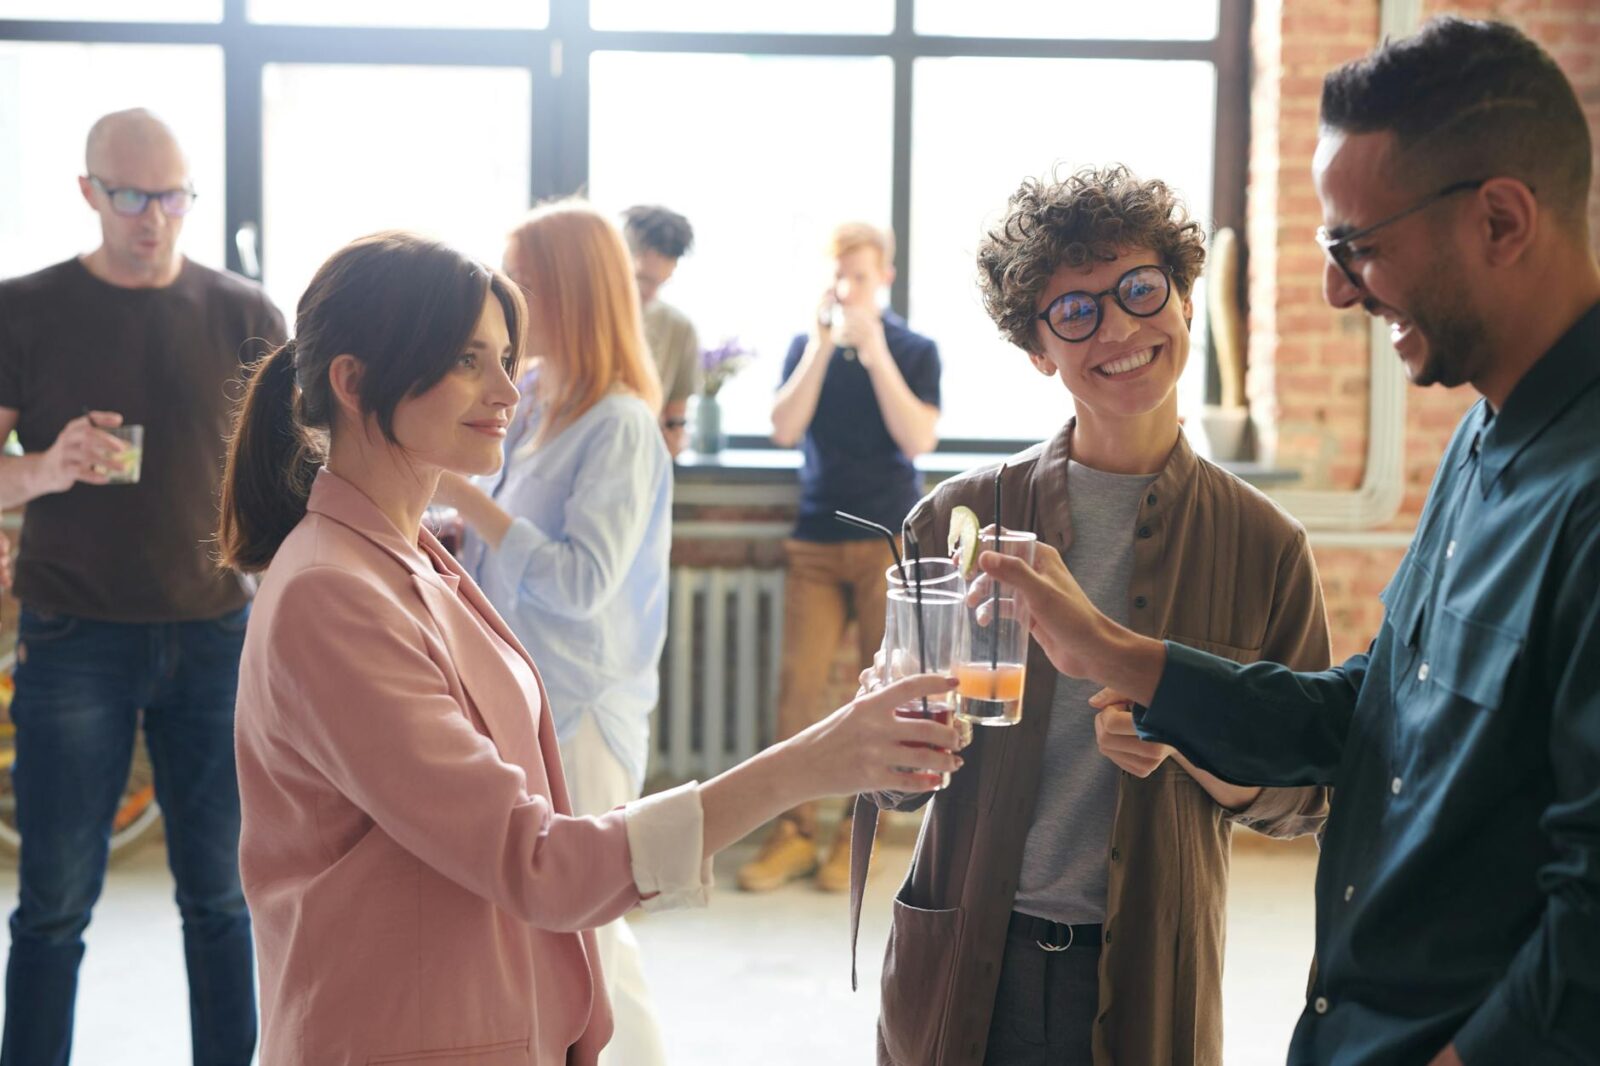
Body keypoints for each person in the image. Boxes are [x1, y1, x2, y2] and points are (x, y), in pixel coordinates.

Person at [978, 18, 1600, 1066]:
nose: (1335, 291)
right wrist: (1113, 654)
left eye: (1357, 245)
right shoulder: (1483, 437)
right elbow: (1369, 713)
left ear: (1499, 220)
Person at [218, 229, 962, 1066]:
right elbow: (539, 862)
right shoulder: (331, 591)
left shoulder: (416, 549)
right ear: (354, 383)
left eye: (506, 356)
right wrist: (813, 761)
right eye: (469, 361)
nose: (506, 388)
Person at [854, 167, 1332, 1066]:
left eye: (1140, 290)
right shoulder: (952, 516)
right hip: (963, 959)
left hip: (1147, 972)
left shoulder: (1267, 546)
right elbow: (885, 779)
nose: (1117, 329)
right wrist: (884, 729)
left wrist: (1189, 731)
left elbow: (1306, 797)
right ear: (1038, 349)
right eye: (1074, 312)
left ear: (1185, 297)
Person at [0, 108, 285, 1066]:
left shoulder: (248, 313)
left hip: (216, 635)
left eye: (171, 196)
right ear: (87, 192)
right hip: (73, 637)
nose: (152, 217)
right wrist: (42, 466)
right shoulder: (24, 307)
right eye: (129, 196)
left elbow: (288, 471)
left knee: (222, 898)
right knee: (53, 906)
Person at [435, 200, 672, 1066]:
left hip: (586, 707)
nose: (504, 299)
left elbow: (580, 581)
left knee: (594, 935)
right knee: (571, 934)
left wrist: (468, 503)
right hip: (525, 688)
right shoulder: (533, 397)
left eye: (523, 282)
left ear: (568, 292)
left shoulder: (621, 424)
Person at [741, 222, 942, 894]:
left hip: (889, 544)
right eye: (840, 276)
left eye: (861, 275)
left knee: (885, 694)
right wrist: (824, 348)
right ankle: (792, 833)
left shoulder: (914, 349)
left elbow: (916, 441)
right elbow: (782, 428)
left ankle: (861, 838)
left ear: (885, 276)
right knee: (799, 691)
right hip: (816, 542)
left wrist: (876, 348)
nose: (848, 287)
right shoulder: (808, 346)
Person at [622, 204, 699, 456]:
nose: (651, 294)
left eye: (661, 283)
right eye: (643, 280)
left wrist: (675, 439)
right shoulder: (583, 317)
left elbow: (676, 418)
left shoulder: (679, 329)